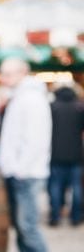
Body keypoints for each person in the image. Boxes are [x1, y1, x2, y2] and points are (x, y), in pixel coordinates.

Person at [0, 58, 63, 252]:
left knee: (28, 225)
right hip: (18, 172)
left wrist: (20, 169)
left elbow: (34, 139)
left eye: (8, 73)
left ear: (22, 73)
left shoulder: (32, 99)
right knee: (20, 224)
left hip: (27, 173)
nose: (3, 78)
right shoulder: (19, 97)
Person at [48, 85, 84, 226]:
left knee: (55, 185)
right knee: (76, 186)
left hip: (56, 153)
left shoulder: (52, 107)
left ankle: (55, 217)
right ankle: (75, 217)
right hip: (76, 153)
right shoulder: (79, 107)